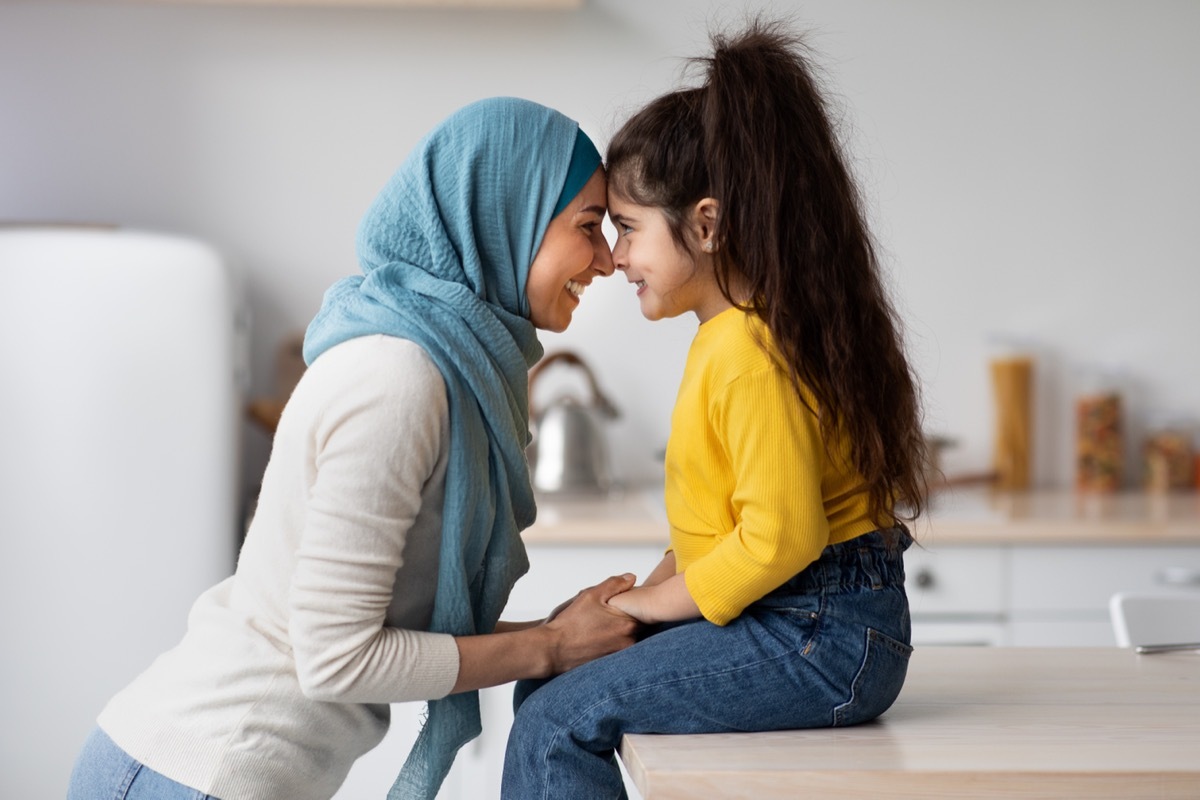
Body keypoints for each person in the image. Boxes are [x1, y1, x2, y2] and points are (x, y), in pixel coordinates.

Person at [67, 96, 638, 800]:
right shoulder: (399, 379)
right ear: (505, 219)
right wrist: (547, 647)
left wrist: (555, 634)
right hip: (194, 770)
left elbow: (384, 629)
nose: (609, 260)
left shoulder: (439, 368)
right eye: (589, 226)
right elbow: (336, 660)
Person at [502, 21, 930, 799]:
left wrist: (649, 602)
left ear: (705, 224)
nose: (615, 256)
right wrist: (647, 600)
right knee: (544, 695)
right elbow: (722, 527)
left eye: (628, 229)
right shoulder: (729, 337)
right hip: (804, 618)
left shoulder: (746, 350)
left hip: (821, 634)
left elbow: (782, 536)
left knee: (553, 721)